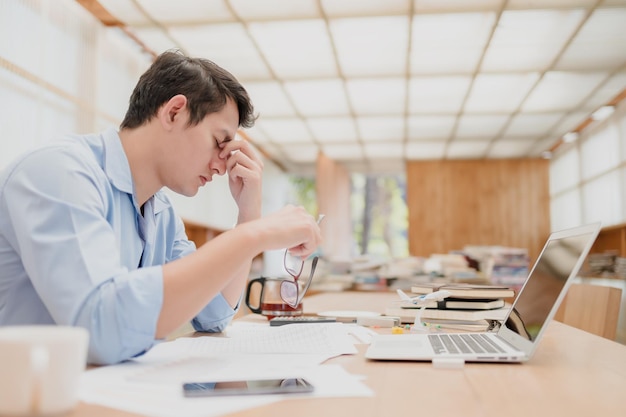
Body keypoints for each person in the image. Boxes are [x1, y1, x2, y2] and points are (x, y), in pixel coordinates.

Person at [0, 50, 322, 365]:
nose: (223, 166)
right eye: (219, 142)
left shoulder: (161, 213)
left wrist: (248, 215)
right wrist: (254, 235)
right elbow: (100, 329)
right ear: (174, 112)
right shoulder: (61, 172)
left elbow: (214, 313)